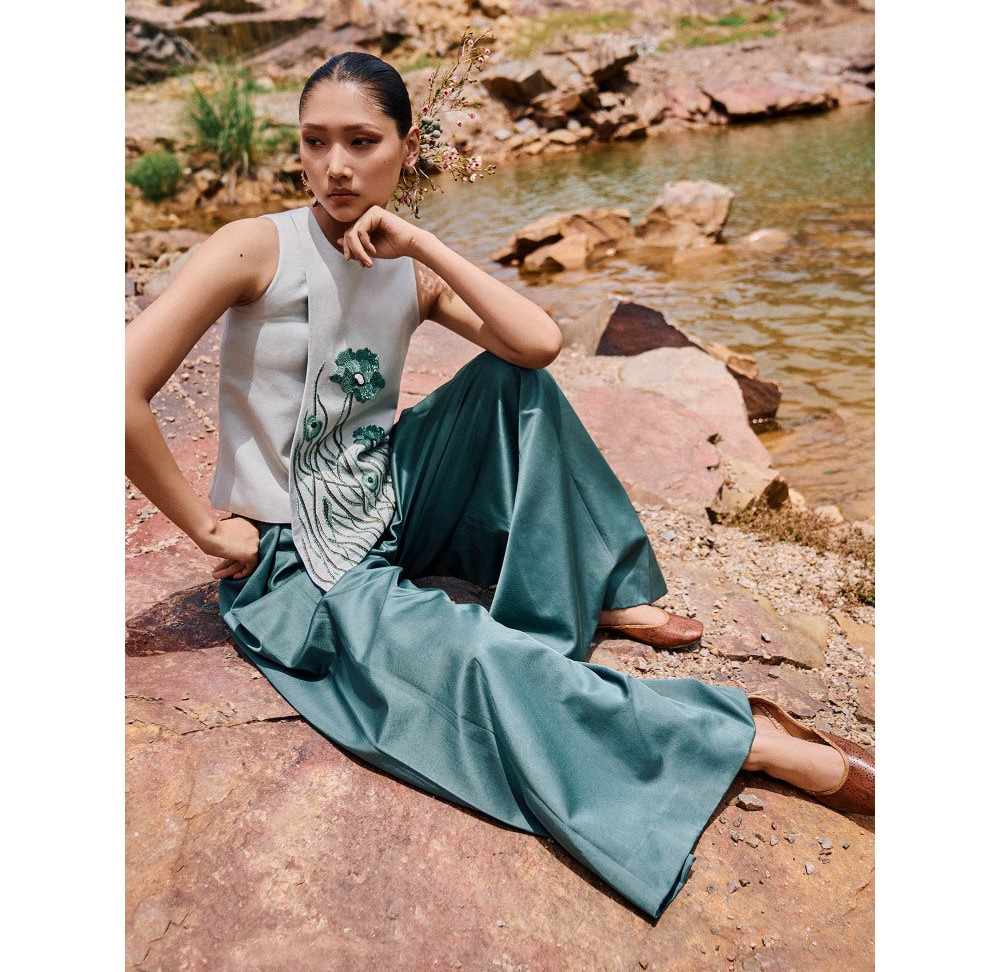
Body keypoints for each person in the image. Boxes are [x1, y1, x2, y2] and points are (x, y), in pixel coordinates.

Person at [125, 51, 873, 920]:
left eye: (362, 141)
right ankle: (751, 741)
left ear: (408, 148)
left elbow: (537, 343)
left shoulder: (404, 261)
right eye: (314, 141)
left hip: (390, 497)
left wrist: (422, 244)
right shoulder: (255, 246)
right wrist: (205, 529)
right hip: (300, 556)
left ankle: (600, 587)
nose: (335, 166)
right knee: (472, 657)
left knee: (515, 384)